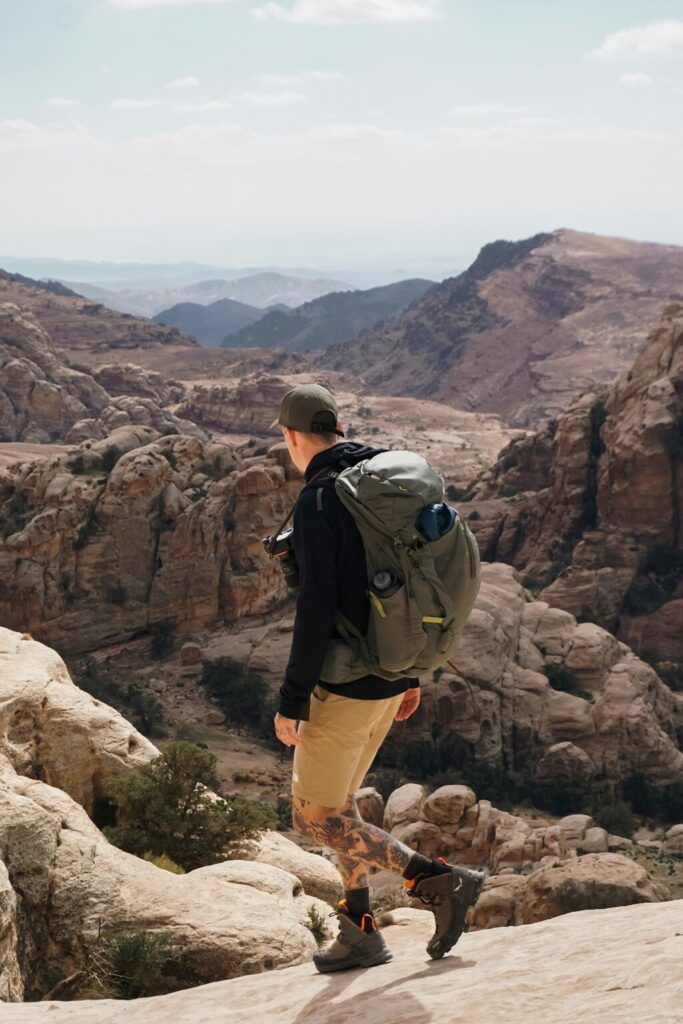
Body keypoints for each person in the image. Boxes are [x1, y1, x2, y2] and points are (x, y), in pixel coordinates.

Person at [270, 383, 484, 973]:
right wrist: (414, 670)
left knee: (315, 818)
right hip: (391, 677)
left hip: (343, 686)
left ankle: (438, 880)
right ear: (335, 427)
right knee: (343, 809)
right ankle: (360, 933)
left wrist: (293, 701)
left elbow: (315, 607)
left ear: (292, 436)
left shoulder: (319, 501)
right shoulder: (377, 477)